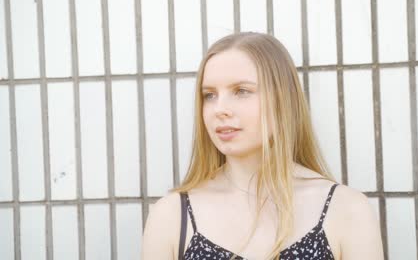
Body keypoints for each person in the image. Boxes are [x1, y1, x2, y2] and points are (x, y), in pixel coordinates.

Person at [142, 32, 384, 260]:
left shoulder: (346, 209)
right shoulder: (172, 215)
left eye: (242, 91)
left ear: (283, 100)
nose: (220, 109)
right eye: (209, 95)